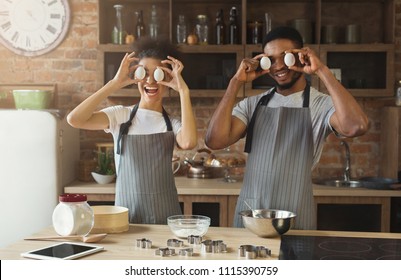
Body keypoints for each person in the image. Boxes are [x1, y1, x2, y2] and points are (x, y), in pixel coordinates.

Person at [205, 26, 369, 229]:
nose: (278, 66)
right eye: (271, 59)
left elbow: (356, 126)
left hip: (296, 214)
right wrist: (235, 82)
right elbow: (215, 141)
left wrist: (321, 71)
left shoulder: (321, 105)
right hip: (252, 214)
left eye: (285, 57)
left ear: (301, 57)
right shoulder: (252, 105)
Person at [67, 38, 197, 224]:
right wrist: (114, 83)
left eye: (158, 74)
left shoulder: (172, 124)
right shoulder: (120, 116)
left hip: (165, 216)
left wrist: (184, 91)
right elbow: (75, 119)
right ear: (136, 75)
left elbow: (189, 142)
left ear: (168, 78)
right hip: (126, 216)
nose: (151, 80)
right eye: (144, 73)